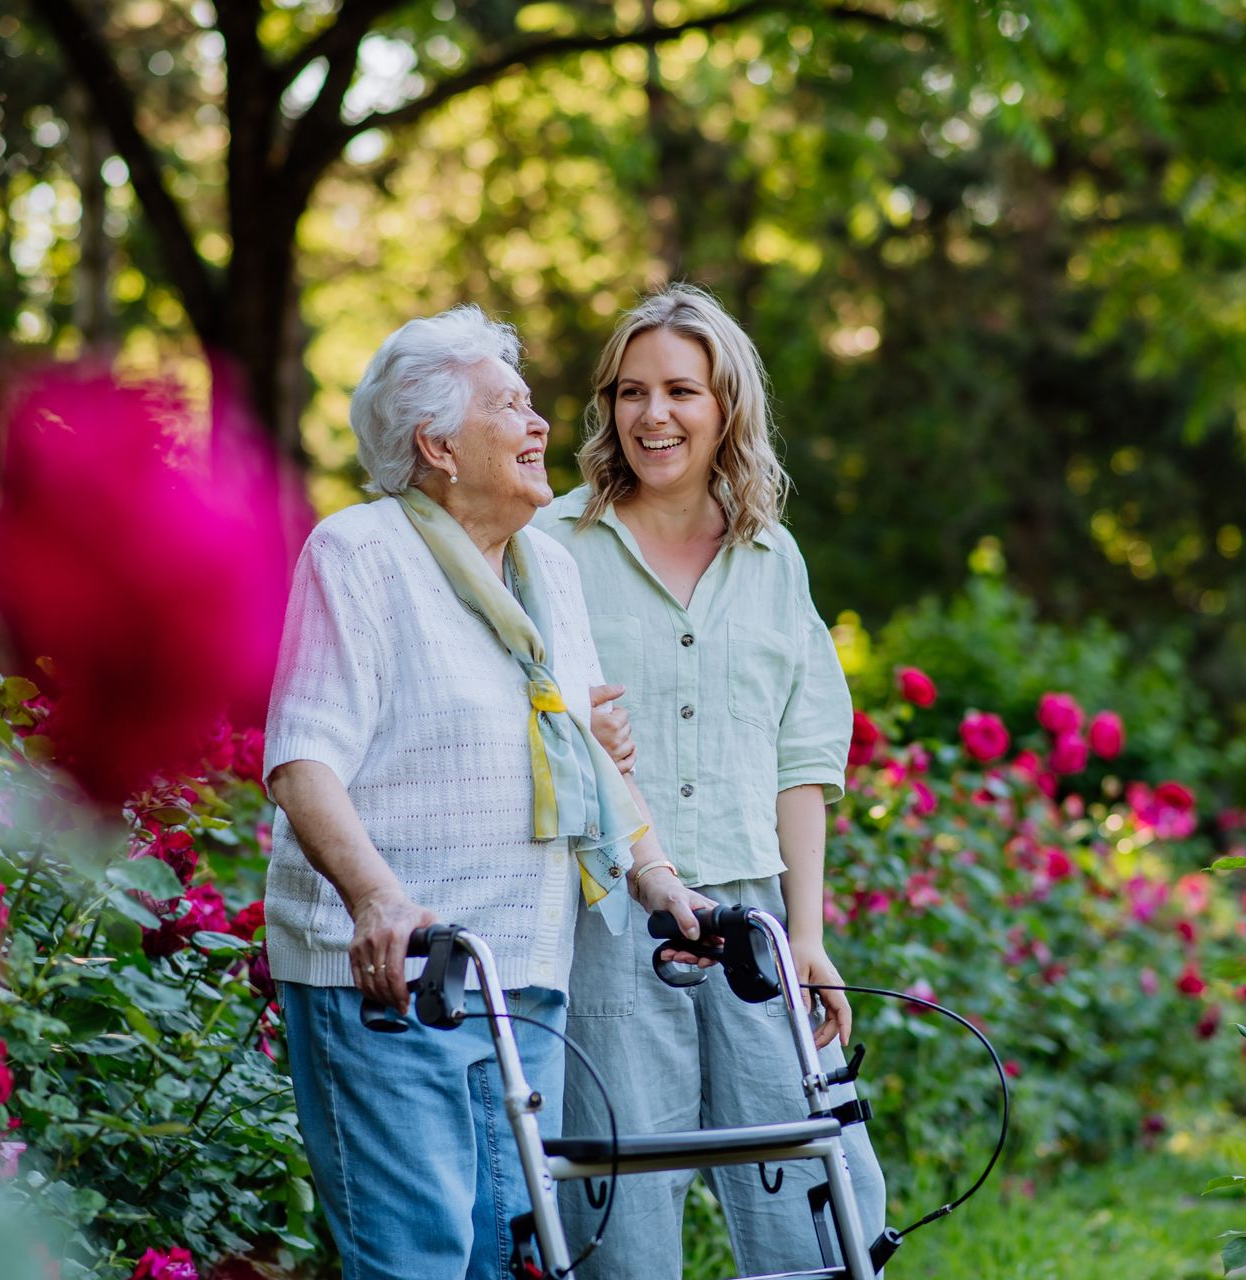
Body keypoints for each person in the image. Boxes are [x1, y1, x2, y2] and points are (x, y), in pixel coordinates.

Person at [261, 305, 691, 1280]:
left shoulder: (549, 568)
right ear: (438, 444)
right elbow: (302, 755)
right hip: (392, 978)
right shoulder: (362, 553)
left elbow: (584, 750)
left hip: (523, 975)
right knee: (419, 1256)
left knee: (512, 1255)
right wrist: (375, 895)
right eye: (512, 406)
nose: (542, 425)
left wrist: (660, 879)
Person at [533, 284, 887, 1279]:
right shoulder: (551, 547)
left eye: (681, 390)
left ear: (727, 404)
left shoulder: (773, 559)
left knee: (819, 1199)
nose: (654, 415)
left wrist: (806, 934)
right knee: (618, 1204)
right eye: (631, 391)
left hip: (753, 920)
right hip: (610, 918)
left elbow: (804, 758)